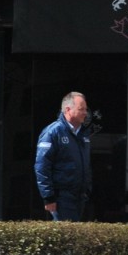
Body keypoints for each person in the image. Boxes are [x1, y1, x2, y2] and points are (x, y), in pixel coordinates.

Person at [34, 91, 92, 221]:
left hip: (80, 197)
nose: (85, 113)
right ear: (68, 110)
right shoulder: (53, 132)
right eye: (81, 109)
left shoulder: (83, 134)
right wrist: (48, 197)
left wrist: (87, 188)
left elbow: (86, 164)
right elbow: (42, 166)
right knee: (67, 237)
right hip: (61, 197)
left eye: (85, 109)